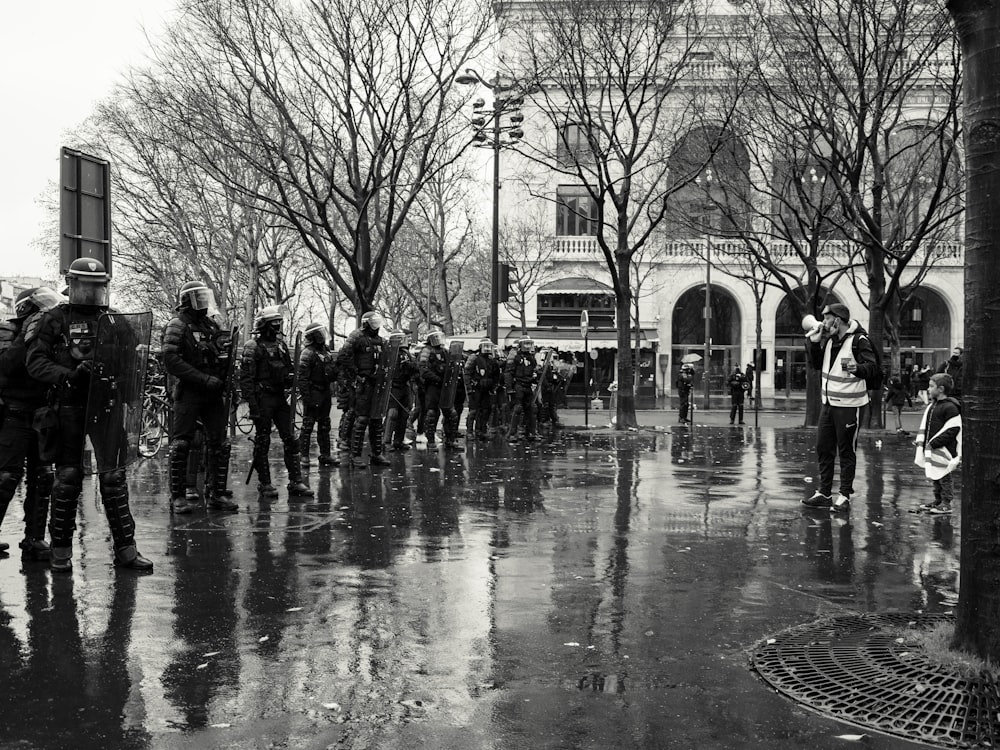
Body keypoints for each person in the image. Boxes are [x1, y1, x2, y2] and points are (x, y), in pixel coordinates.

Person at [25, 258, 153, 571]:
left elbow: (131, 359)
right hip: (68, 406)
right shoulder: (53, 318)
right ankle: (61, 550)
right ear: (72, 284)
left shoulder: (114, 320)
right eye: (87, 285)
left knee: (113, 475)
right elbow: (35, 363)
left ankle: (126, 549)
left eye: (98, 286)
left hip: (106, 405)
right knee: (67, 477)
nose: (93, 292)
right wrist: (68, 375)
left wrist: (125, 383)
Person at [161, 281, 239, 514]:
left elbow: (221, 355)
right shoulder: (177, 325)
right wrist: (203, 379)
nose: (204, 302)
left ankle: (216, 493)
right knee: (182, 444)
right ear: (188, 300)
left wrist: (226, 380)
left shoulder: (211, 325)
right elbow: (171, 360)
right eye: (199, 298)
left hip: (213, 393)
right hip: (190, 392)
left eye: (205, 297)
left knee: (219, 443)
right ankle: (178, 496)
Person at [0, 287, 62, 560]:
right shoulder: (7, 332)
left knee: (43, 477)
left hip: (42, 415)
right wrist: (25, 337)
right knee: (6, 478)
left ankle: (34, 539)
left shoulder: (52, 334)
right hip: (14, 414)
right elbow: (5, 368)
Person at [801, 302, 879, 513]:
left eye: (827, 318)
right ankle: (824, 493)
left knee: (846, 451)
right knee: (823, 448)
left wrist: (858, 368)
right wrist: (814, 344)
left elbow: (872, 367)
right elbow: (817, 365)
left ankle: (844, 495)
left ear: (838, 319)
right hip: (828, 405)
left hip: (850, 406)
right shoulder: (828, 341)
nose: (823, 322)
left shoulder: (858, 340)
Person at [240, 306, 314, 497]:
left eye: (279, 323)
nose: (277, 327)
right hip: (262, 398)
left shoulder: (281, 346)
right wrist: (252, 405)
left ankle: (295, 481)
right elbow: (246, 379)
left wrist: (291, 378)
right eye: (274, 323)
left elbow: (288, 370)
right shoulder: (252, 346)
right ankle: (265, 484)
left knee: (290, 438)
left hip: (280, 398)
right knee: (262, 441)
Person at [338, 311, 392, 467]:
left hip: (377, 384)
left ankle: (376, 454)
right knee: (361, 419)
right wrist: (355, 376)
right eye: (373, 322)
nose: (376, 325)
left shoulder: (380, 340)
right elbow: (343, 357)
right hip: (363, 384)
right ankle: (355, 455)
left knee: (376, 419)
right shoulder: (356, 337)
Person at [915, 373, 962, 514]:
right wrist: (922, 442)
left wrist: (934, 443)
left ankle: (946, 503)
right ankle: (938, 500)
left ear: (941, 389)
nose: (928, 389)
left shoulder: (950, 408)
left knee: (944, 476)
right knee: (935, 475)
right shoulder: (934, 405)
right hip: (933, 447)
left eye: (931, 386)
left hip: (944, 449)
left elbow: (953, 429)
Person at [296, 322, 339, 467]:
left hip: (325, 391)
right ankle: (304, 456)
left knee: (325, 425)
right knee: (308, 426)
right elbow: (302, 379)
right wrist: (307, 398)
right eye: (319, 333)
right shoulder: (307, 353)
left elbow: (332, 371)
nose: (322, 336)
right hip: (313, 391)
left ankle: (325, 455)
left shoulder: (325, 351)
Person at [418, 330, 458, 449]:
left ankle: (451, 440)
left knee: (451, 413)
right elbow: (423, 370)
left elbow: (451, 365)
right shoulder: (426, 351)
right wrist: (437, 379)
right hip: (432, 386)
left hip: (444, 386)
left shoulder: (445, 351)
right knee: (431, 413)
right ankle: (430, 442)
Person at [464, 339, 502, 441]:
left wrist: (494, 387)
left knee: (486, 410)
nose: (487, 348)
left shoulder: (492, 360)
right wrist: (469, 388)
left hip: (487, 390)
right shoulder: (474, 358)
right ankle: (469, 432)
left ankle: (481, 431)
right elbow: (467, 373)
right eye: (485, 346)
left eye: (488, 346)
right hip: (475, 388)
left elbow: (496, 375)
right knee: (473, 411)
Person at [385, 337, 419, 451]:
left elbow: (416, 368)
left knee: (404, 414)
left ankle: (398, 441)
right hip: (393, 385)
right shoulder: (389, 353)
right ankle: (387, 442)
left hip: (404, 385)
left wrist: (409, 365)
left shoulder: (407, 354)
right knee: (392, 413)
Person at [504, 337, 540, 444]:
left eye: (530, 344)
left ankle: (531, 432)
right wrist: (509, 388)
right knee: (517, 409)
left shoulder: (531, 357)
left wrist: (536, 377)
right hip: (518, 385)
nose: (528, 346)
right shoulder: (514, 356)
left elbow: (534, 370)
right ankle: (511, 434)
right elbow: (508, 372)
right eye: (526, 344)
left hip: (528, 385)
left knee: (532, 409)